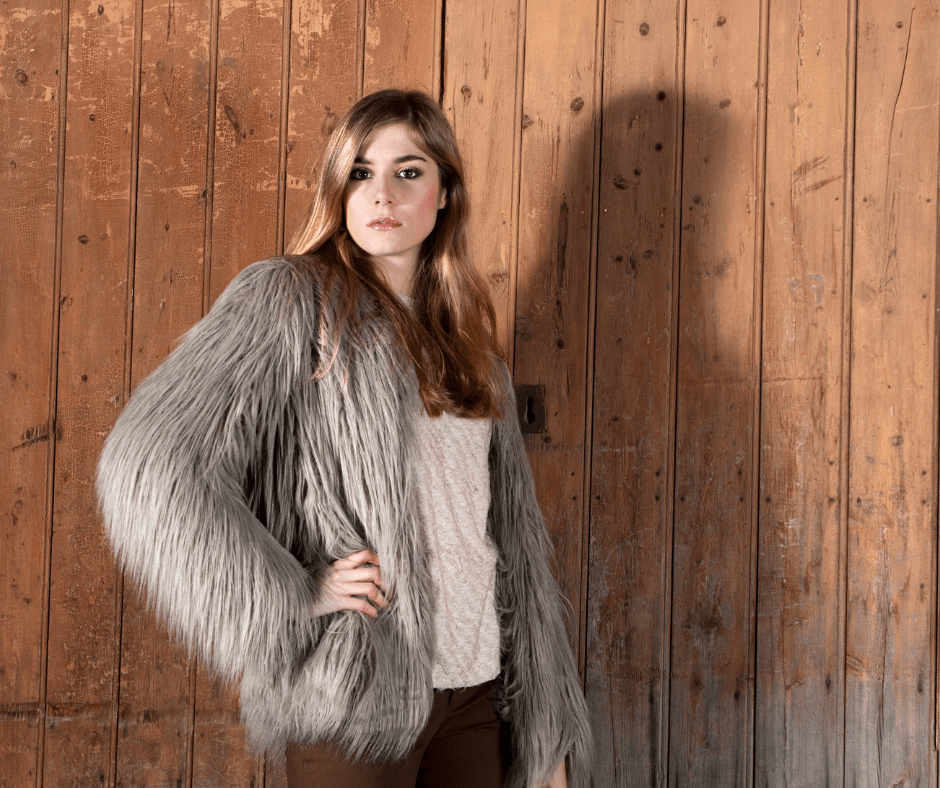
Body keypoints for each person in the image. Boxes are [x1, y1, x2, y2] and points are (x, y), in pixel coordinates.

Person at [97, 89, 592, 788]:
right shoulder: (290, 299)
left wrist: (545, 725)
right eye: (361, 173)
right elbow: (151, 459)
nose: (382, 193)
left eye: (409, 171)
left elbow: (511, 542)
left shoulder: (472, 348)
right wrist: (291, 593)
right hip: (358, 693)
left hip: (480, 692)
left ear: (446, 194)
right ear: (338, 189)